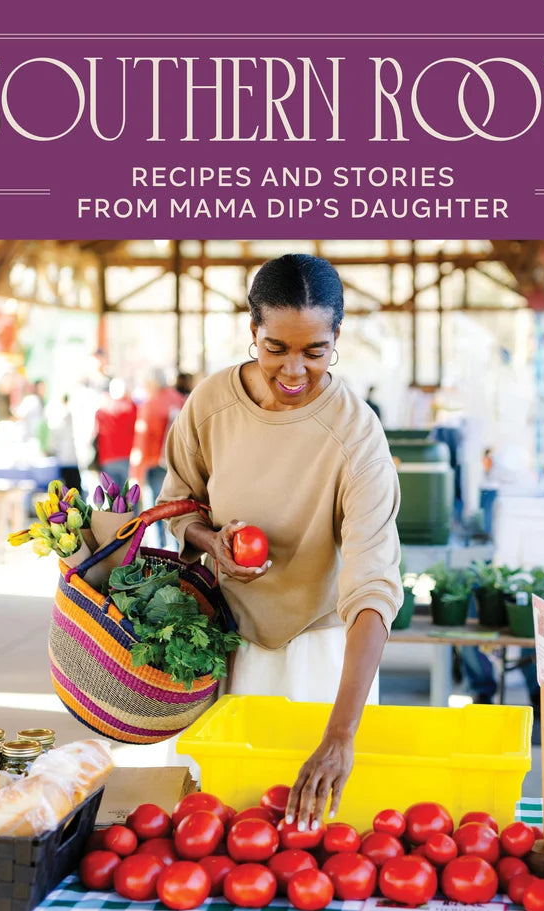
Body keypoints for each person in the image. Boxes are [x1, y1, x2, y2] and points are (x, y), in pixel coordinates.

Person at [160, 254, 403, 829]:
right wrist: (208, 539)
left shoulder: (356, 434)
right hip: (217, 649)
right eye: (277, 348)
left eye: (315, 352)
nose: (294, 369)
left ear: (336, 338)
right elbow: (178, 502)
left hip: (316, 658)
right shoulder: (211, 405)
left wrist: (342, 734)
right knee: (209, 827)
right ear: (254, 333)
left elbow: (373, 585)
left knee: (315, 833)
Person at [129, 370, 186, 544]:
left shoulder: (150, 404)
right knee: (176, 513)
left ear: (152, 384)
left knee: (153, 515)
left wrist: (136, 473)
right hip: (178, 466)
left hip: (154, 465)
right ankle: (178, 555)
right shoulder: (180, 399)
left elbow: (142, 440)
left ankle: (159, 558)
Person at [92, 377, 138, 486]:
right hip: (127, 456)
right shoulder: (132, 407)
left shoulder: (102, 408)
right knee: (129, 497)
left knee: (112, 497)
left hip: (107, 457)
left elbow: (95, 432)